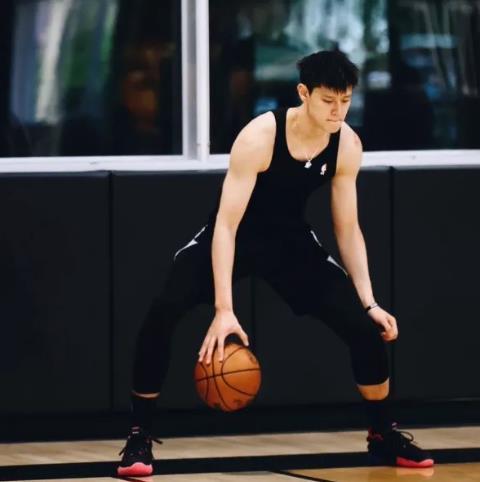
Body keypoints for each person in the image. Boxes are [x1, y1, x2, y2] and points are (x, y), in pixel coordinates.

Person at [117, 50, 434, 477]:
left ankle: (382, 434)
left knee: (364, 328)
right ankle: (139, 436)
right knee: (164, 310)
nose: (338, 111)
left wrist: (370, 301)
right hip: (233, 237)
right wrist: (224, 309)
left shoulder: (347, 144)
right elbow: (226, 226)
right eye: (328, 101)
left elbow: (347, 228)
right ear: (304, 93)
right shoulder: (260, 137)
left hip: (289, 243)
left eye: (345, 100)